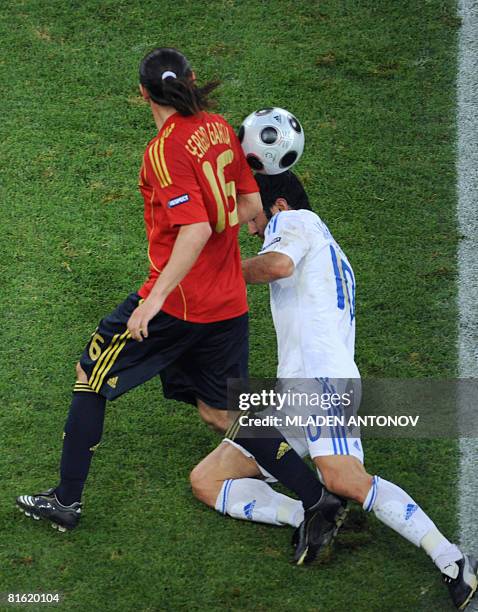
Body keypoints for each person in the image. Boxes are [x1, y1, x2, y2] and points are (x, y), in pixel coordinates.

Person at [190, 171, 478, 611]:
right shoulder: (322, 243)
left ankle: (452, 559)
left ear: (279, 205)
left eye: (253, 214)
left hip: (323, 381)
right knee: (207, 480)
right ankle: (310, 511)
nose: (249, 226)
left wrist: (219, 272)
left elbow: (279, 265)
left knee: (344, 477)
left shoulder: (297, 221)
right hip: (295, 392)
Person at [16, 47, 262, 532]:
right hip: (226, 301)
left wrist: (152, 301)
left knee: (90, 374)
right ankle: (307, 475)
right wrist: (225, 227)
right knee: (219, 410)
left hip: (176, 302)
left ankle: (66, 501)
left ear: (142, 93)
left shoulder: (165, 151)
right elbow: (249, 206)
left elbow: (191, 231)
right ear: (192, 80)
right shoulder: (217, 126)